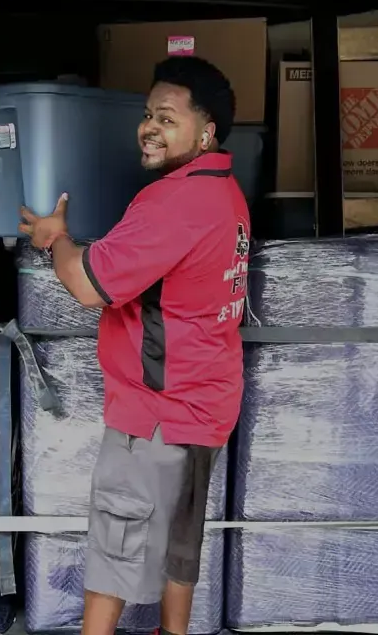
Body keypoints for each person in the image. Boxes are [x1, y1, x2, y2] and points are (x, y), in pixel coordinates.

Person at [19, 55, 250, 635]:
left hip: (156, 416)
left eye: (167, 118)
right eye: (147, 114)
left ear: (206, 130)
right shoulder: (226, 193)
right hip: (210, 403)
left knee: (114, 550)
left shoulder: (176, 202)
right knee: (179, 541)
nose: (149, 127)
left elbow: (87, 284)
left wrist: (56, 241)